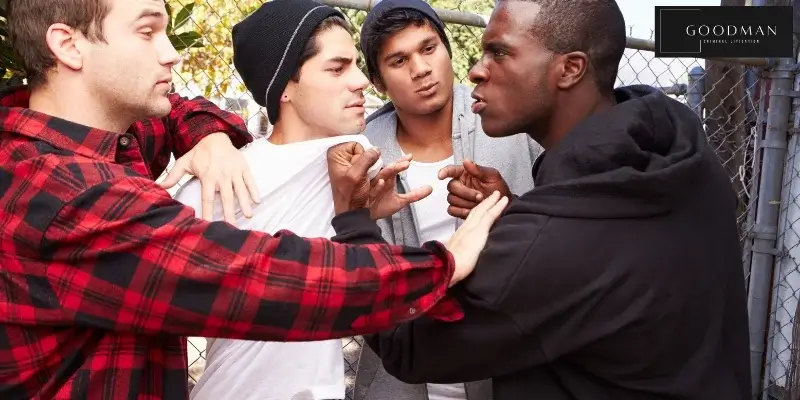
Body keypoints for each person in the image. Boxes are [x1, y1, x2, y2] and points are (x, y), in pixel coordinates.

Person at [0, 0, 508, 398]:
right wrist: (439, 264)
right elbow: (253, 276)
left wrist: (211, 136)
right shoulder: (57, 194)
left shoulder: (113, 140)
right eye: (147, 31)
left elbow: (180, 107)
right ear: (68, 45)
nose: (171, 53)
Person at [363, 0, 752, 399]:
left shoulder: (556, 240)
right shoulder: (686, 160)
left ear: (570, 69)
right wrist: (516, 213)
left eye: (499, 52)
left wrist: (355, 223)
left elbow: (408, 346)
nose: (476, 70)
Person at [173, 2, 429, 399]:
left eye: (356, 65)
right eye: (336, 69)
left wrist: (360, 217)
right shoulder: (220, 182)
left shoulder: (354, 161)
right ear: (285, 88)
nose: (361, 81)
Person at [354, 1, 541, 399]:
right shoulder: (363, 154)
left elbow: (567, 230)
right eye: (399, 60)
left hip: (510, 372)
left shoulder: (514, 121)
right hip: (402, 380)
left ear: (447, 49)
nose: (421, 69)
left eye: (429, 48)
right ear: (377, 82)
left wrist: (507, 209)